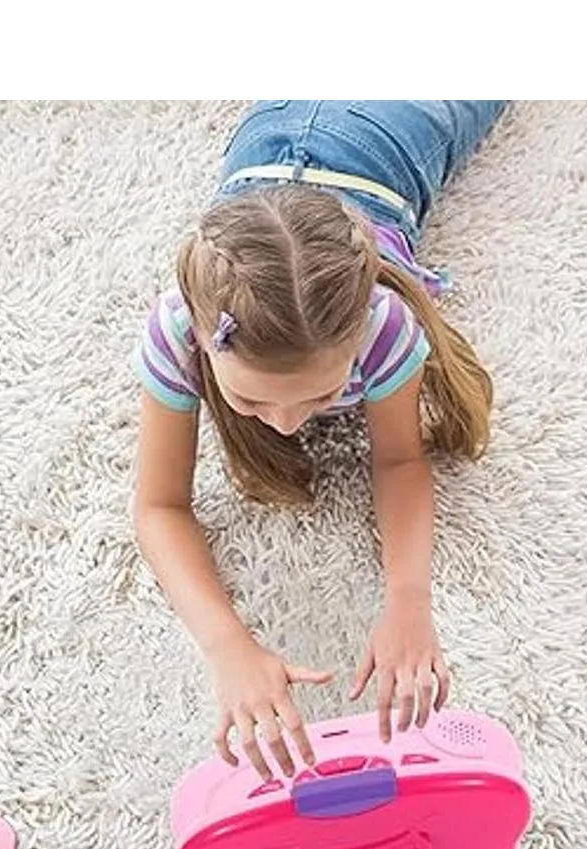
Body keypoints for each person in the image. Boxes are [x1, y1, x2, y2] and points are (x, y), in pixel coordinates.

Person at [131, 101, 509, 782]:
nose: (285, 424)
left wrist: (409, 600)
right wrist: (227, 647)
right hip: (280, 129)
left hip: (390, 128)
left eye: (320, 396)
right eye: (253, 400)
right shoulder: (178, 329)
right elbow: (158, 506)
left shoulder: (383, 325)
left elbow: (401, 460)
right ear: (204, 342)